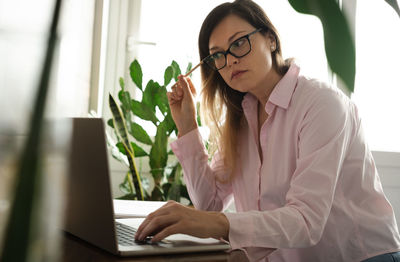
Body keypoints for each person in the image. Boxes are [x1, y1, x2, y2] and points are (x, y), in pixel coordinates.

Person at [135, 0, 400, 261]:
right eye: (217, 54)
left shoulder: (322, 104)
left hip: (363, 257)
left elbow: (306, 221)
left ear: (271, 39)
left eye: (239, 43)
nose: (229, 61)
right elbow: (210, 204)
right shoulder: (240, 121)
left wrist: (220, 224)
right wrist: (187, 126)